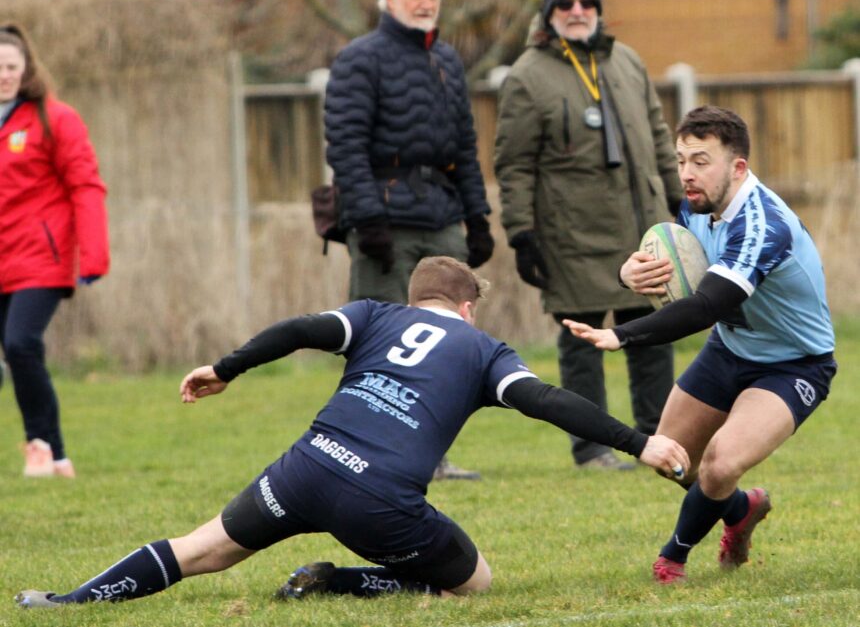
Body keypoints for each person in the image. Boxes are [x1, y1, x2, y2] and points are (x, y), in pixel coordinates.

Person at [16, 256, 689, 608]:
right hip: (381, 502)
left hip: (306, 467)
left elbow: (301, 328)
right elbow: (546, 399)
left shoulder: (374, 314)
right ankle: (341, 582)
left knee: (202, 549)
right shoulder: (484, 349)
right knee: (473, 583)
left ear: (414, 292)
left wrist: (226, 367)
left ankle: (68, 599)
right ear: (465, 306)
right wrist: (641, 440)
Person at [563, 106, 837, 584]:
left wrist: (621, 334)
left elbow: (705, 305)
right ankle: (741, 508)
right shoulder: (696, 204)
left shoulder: (762, 227)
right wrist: (627, 275)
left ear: (738, 167)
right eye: (681, 159)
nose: (687, 174)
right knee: (672, 458)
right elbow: (674, 268)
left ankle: (673, 558)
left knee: (719, 462)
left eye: (701, 161)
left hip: (795, 366)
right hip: (729, 350)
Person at [493, 0, 684, 471]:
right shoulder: (526, 76)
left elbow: (660, 138)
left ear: (598, 10)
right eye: (565, 3)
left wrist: (679, 200)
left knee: (649, 329)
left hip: (640, 226)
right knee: (581, 339)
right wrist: (521, 233)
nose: (577, 11)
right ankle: (592, 447)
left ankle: (658, 437)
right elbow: (513, 164)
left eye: (586, 3)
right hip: (571, 232)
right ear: (549, 13)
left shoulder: (627, 61)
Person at [325, 0, 494, 480]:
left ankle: (432, 457)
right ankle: (353, 451)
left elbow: (465, 148)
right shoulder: (360, 58)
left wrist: (478, 216)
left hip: (441, 214)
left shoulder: (446, 60)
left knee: (448, 345)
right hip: (385, 220)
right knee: (379, 340)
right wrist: (369, 219)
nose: (424, 3)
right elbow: (345, 145)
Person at [0, 24, 110, 479]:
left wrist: (94, 255)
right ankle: (59, 456)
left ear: (26, 69)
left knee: (21, 343)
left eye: (10, 66)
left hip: (40, 258)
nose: (3, 75)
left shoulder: (54, 118)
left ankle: (40, 446)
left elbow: (86, 185)